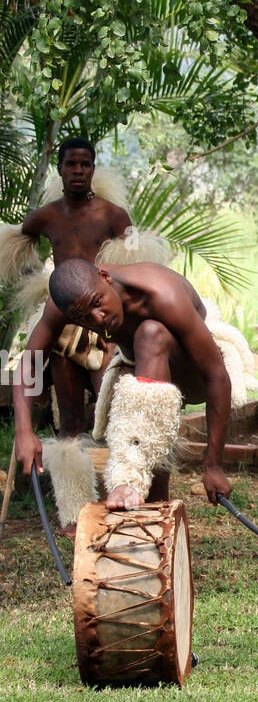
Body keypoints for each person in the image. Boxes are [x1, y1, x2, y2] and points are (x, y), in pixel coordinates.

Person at [0, 138, 171, 526]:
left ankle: (131, 493)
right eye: (71, 165)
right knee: (71, 422)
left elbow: (135, 265)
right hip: (64, 325)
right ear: (60, 170)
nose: (78, 171)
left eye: (85, 164)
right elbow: (20, 240)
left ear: (93, 169)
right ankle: (74, 512)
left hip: (103, 325)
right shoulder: (45, 218)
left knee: (115, 412)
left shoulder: (112, 215)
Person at [14, 258, 232, 510]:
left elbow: (217, 375)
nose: (98, 318)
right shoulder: (66, 306)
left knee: (151, 334)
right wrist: (23, 430)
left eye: (98, 303)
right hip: (141, 367)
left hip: (192, 374)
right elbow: (29, 363)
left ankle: (128, 482)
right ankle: (154, 513)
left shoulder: (161, 294)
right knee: (136, 392)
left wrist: (214, 464)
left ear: (106, 277)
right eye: (84, 317)